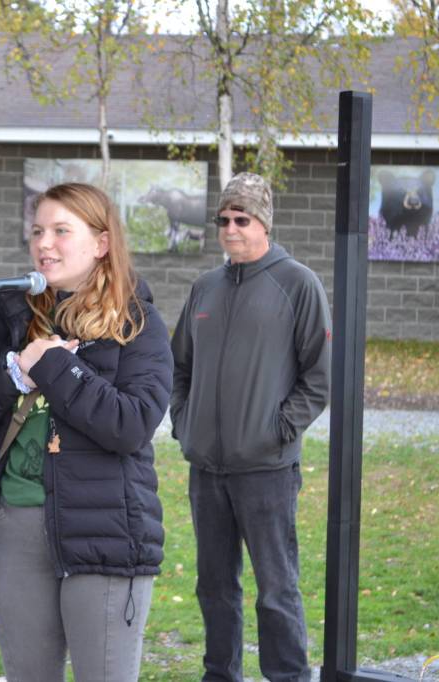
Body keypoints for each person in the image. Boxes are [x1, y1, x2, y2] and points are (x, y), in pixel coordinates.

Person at [0, 182, 173, 681]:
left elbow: (131, 426)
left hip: (103, 530)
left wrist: (58, 368)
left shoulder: (138, 322)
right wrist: (12, 373)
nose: (45, 243)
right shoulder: (9, 315)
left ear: (101, 243)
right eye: (38, 231)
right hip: (14, 527)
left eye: (62, 231)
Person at [170, 172, 331, 682]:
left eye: (242, 219)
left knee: (276, 587)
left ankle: (287, 676)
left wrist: (278, 429)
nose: (231, 228)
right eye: (224, 219)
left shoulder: (297, 284)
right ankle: (221, 675)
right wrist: (184, 423)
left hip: (267, 468)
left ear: (263, 222)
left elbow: (319, 376)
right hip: (208, 470)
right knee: (214, 587)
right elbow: (179, 369)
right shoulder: (205, 287)